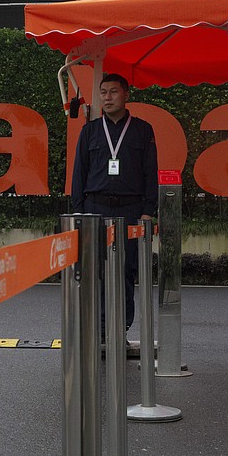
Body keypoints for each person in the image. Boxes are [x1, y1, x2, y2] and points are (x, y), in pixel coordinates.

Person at [71, 73, 158, 339]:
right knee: (94, 269)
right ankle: (97, 329)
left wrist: (148, 211)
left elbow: (150, 173)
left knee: (126, 268)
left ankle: (120, 326)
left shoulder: (143, 130)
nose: (107, 98)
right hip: (95, 208)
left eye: (113, 92)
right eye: (103, 93)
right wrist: (79, 212)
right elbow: (79, 174)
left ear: (126, 94)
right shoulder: (90, 131)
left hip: (130, 210)